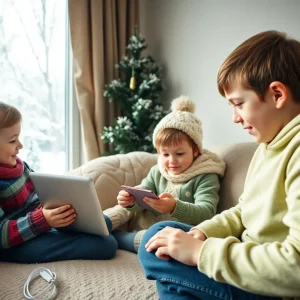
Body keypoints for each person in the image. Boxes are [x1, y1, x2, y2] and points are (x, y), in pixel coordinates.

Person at [138, 30, 300, 299]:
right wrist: (202, 233)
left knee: (155, 250)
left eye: (238, 104)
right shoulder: (269, 145)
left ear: (277, 94)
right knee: (159, 236)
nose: (235, 118)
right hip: (247, 264)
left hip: (274, 289)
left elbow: (295, 266)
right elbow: (243, 211)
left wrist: (200, 253)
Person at [104, 96, 225, 253]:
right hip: (144, 225)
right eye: (165, 154)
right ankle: (101, 224)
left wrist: (175, 206)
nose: (172, 161)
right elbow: (143, 193)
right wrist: (130, 200)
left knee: (162, 236)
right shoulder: (158, 170)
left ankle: (118, 239)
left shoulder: (206, 174)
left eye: (179, 153)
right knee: (123, 208)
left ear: (195, 151)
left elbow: (207, 212)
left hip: (174, 235)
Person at [0, 102, 117, 263]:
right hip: (15, 244)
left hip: (39, 221)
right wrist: (43, 219)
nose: (20, 145)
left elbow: (40, 193)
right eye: (13, 141)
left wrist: (54, 207)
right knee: (107, 245)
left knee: (105, 223)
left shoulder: (20, 165)